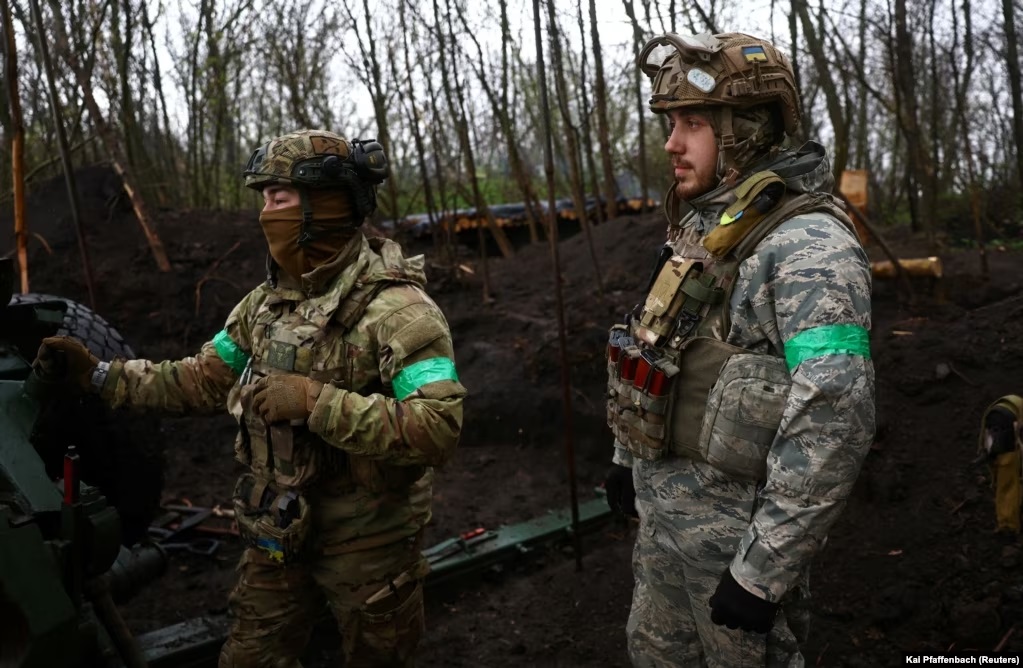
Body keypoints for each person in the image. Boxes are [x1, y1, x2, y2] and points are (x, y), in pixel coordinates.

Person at [34, 129, 467, 667]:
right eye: (263, 199)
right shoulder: (262, 306)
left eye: (278, 199)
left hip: (369, 546)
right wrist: (97, 375)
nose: (266, 213)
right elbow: (201, 379)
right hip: (279, 531)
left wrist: (314, 402)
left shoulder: (401, 311)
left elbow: (436, 427)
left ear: (325, 205)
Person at [602, 32, 875, 666]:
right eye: (670, 123)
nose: (671, 143)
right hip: (665, 527)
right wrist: (625, 456)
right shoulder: (703, 226)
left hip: (736, 549)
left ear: (747, 127)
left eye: (692, 122)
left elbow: (834, 418)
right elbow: (655, 345)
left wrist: (762, 571)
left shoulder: (811, 247)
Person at [978, 395, 1022, 534]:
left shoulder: (1005, 409)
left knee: (1007, 486)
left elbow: (989, 435)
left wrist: (987, 449)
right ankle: (1008, 525)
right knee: (1009, 486)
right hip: (1009, 453)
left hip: (1008, 452)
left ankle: (1008, 524)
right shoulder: (1007, 413)